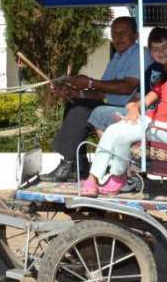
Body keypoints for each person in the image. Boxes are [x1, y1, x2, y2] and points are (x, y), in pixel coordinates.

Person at [81, 40, 167, 196]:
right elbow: (146, 100)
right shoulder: (166, 81)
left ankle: (117, 176)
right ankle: (94, 178)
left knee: (123, 134)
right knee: (113, 129)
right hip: (152, 123)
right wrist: (135, 108)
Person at [40, 16, 147, 182]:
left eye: (123, 33)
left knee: (81, 111)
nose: (118, 38)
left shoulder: (140, 54)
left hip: (132, 110)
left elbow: (126, 87)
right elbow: (102, 92)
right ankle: (79, 162)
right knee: (76, 104)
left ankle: (68, 164)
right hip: (112, 104)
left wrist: (89, 82)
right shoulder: (118, 57)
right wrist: (74, 93)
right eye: (114, 33)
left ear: (136, 35)